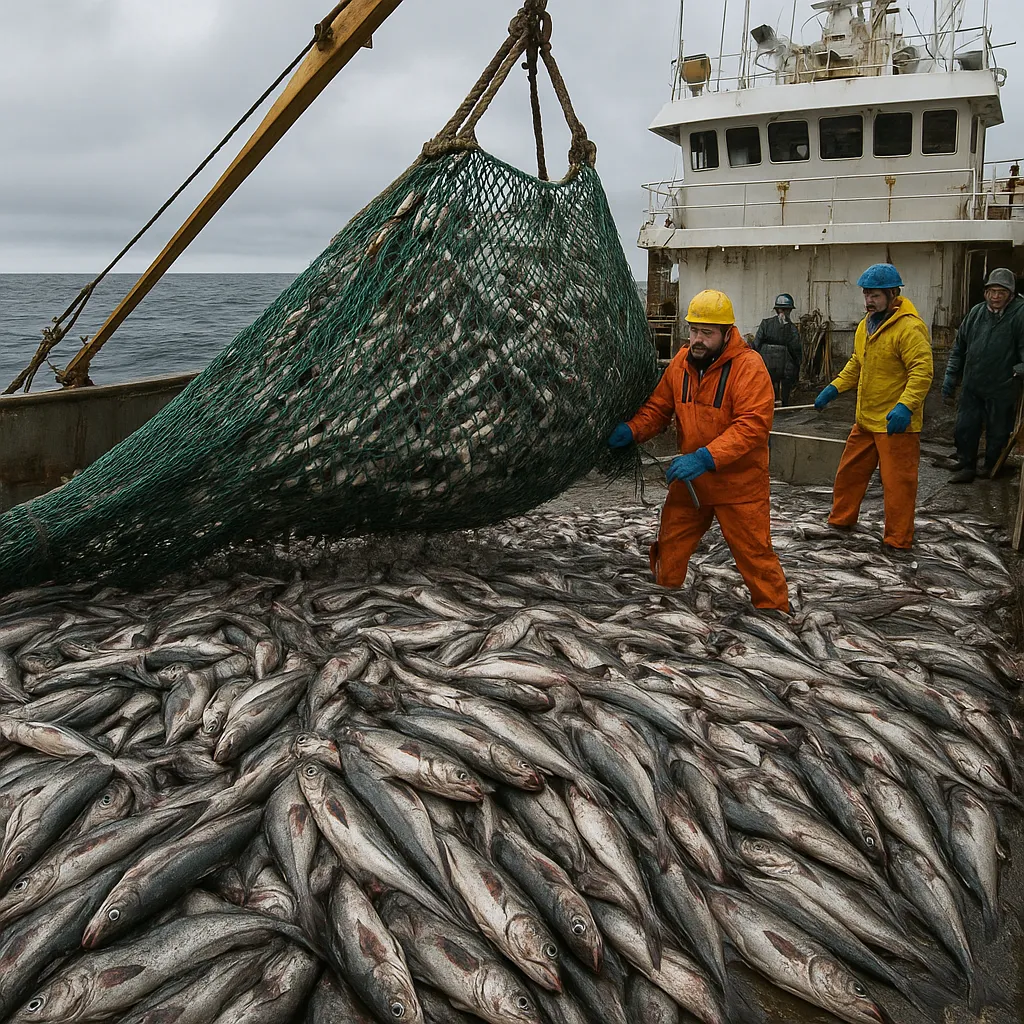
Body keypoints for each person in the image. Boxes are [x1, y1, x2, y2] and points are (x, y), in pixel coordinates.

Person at [608, 289, 789, 611]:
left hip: (739, 484)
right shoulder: (681, 362)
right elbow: (660, 407)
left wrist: (706, 457)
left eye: (707, 332)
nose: (698, 339)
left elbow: (752, 426)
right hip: (691, 482)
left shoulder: (750, 367)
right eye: (693, 330)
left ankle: (775, 612)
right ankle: (667, 604)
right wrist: (634, 430)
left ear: (726, 333)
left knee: (755, 554)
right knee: (670, 544)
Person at [813, 263, 933, 551]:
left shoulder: (909, 327)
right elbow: (857, 362)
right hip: (866, 420)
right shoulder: (865, 325)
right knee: (849, 473)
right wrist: (835, 387)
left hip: (896, 424)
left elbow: (922, 371)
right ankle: (841, 520)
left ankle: (898, 540)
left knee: (898, 486)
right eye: (866, 294)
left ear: (893, 294)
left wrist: (905, 407)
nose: (868, 301)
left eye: (875, 295)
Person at [941, 267, 1024, 482]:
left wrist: (1016, 374)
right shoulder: (977, 312)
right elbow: (959, 347)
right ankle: (966, 464)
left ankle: (990, 465)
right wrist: (951, 377)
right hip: (972, 383)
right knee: (965, 426)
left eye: (1001, 293)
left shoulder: (1020, 314)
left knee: (998, 430)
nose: (995, 297)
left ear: (1011, 294)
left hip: (1002, 386)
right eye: (991, 292)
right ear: (985, 292)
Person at [751, 293, 802, 405]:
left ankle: (769, 403)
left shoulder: (765, 324)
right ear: (790, 310)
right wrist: (798, 363)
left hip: (766, 364)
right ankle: (785, 405)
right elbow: (796, 349)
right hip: (785, 367)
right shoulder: (792, 329)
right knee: (786, 386)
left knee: (767, 386)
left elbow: (756, 344)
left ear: (776, 310)